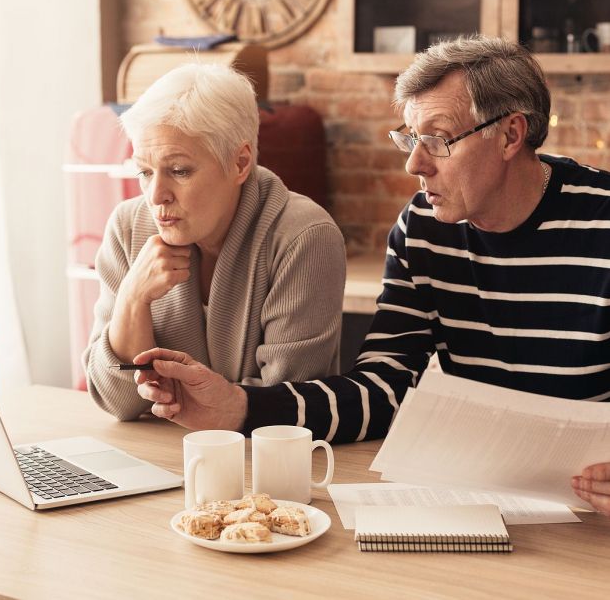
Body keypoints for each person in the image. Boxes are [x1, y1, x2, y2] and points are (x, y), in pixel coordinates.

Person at [132, 36, 610, 514]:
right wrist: (237, 407)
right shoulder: (424, 228)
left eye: (437, 141)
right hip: (493, 500)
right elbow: (384, 388)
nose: (414, 164)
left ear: (510, 135)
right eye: (410, 138)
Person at [83, 62, 346, 420]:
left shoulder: (305, 237)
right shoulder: (128, 226)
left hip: (261, 467)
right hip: (160, 457)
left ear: (240, 163)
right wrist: (132, 297)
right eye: (145, 171)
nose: (156, 195)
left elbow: (284, 407)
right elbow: (118, 403)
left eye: (179, 171)